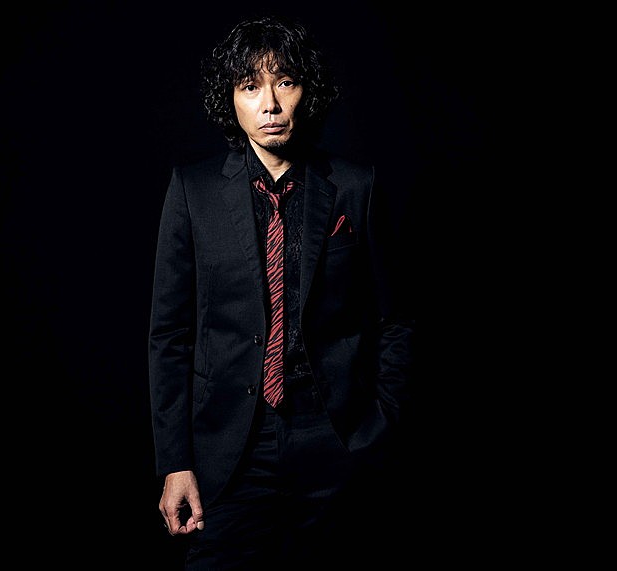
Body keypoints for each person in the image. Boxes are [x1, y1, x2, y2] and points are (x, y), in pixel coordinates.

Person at [148, 13, 415, 569]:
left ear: (305, 91)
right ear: (231, 99)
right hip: (229, 448)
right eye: (251, 86)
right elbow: (169, 335)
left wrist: (379, 424)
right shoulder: (194, 191)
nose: (269, 104)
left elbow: (394, 318)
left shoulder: (355, 186)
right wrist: (174, 462)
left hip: (335, 440)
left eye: (285, 82)